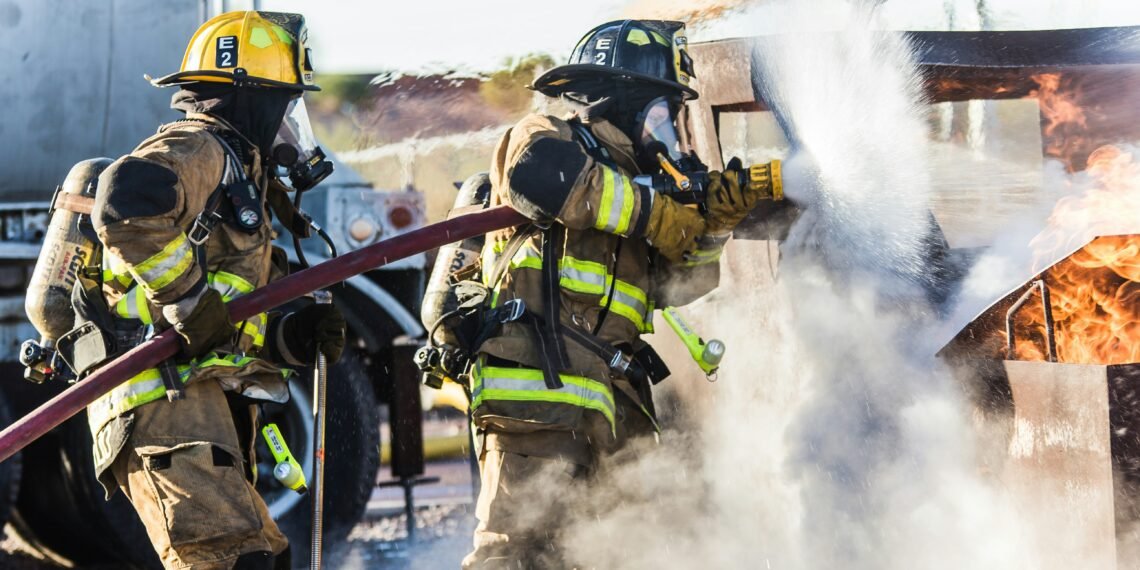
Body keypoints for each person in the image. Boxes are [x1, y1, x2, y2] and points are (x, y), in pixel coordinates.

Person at [462, 19, 784, 568]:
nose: (670, 132)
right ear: (621, 101)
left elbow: (679, 285)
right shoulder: (548, 137)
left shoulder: (638, 184)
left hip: (612, 402)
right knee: (516, 555)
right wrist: (656, 213)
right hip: (536, 401)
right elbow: (538, 177)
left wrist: (713, 226)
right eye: (662, 114)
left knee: (621, 553)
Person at [83, 11, 343, 569]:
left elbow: (229, 317)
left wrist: (293, 335)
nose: (290, 127)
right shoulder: (197, 146)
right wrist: (188, 300)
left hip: (199, 400)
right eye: (284, 106)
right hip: (160, 400)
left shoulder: (243, 175)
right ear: (249, 99)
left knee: (264, 557)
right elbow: (124, 202)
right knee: (229, 561)